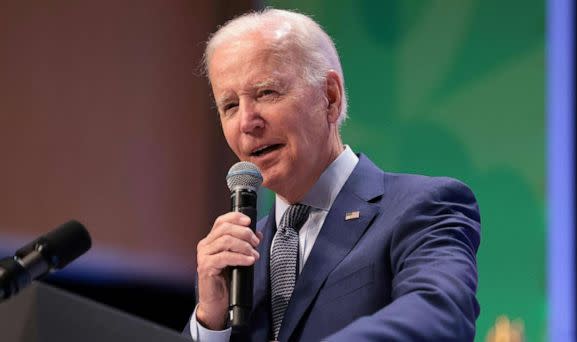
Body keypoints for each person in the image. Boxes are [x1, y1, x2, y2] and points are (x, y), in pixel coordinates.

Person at [184, 8, 481, 342]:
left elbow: (440, 314)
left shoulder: (423, 208)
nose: (246, 122)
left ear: (330, 97)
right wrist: (210, 322)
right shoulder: (235, 259)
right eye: (230, 106)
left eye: (266, 93)